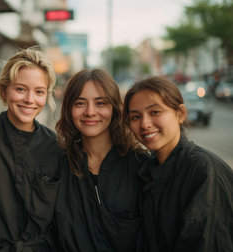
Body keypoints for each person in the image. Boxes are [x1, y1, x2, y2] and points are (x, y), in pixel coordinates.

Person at [0, 47, 60, 251]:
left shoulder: (56, 147)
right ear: (3, 90)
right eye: (20, 89)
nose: (29, 99)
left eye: (39, 92)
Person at [123, 76, 233, 252]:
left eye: (155, 112)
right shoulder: (148, 170)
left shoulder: (202, 170)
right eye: (135, 116)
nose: (144, 124)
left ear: (180, 113)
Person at [54, 69, 146, 252]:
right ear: (68, 109)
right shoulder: (57, 163)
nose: (90, 112)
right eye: (80, 103)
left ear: (114, 108)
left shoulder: (140, 165)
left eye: (100, 103)